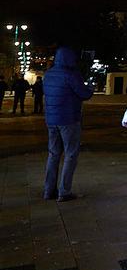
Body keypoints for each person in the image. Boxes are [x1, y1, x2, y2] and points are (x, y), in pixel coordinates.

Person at [43, 47, 94, 202]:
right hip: (69, 119)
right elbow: (84, 94)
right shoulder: (71, 75)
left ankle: (48, 191)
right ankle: (64, 191)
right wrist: (90, 86)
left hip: (51, 120)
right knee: (71, 154)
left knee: (53, 154)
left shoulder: (49, 74)